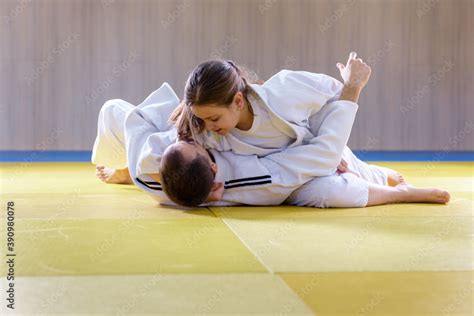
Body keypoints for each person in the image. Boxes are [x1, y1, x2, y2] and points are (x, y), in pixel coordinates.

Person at [93, 82, 450, 208]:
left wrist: (187, 113)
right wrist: (350, 95)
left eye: (198, 131)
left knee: (112, 109)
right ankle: (400, 190)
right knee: (329, 184)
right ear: (216, 179)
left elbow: (137, 123)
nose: (200, 133)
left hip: (151, 153)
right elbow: (315, 157)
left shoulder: (154, 160)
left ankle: (123, 170)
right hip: (297, 159)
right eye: (201, 141)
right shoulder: (248, 178)